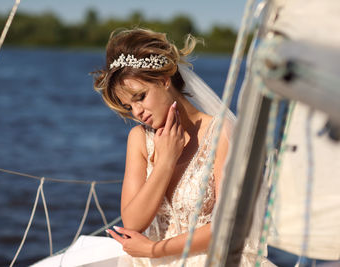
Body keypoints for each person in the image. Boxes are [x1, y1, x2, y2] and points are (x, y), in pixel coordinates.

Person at [93, 28, 274, 266]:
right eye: (128, 107)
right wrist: (165, 162)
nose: (137, 112)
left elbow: (228, 225)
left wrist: (155, 249)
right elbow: (133, 223)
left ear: (164, 80)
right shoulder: (139, 139)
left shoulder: (222, 134)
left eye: (140, 97)